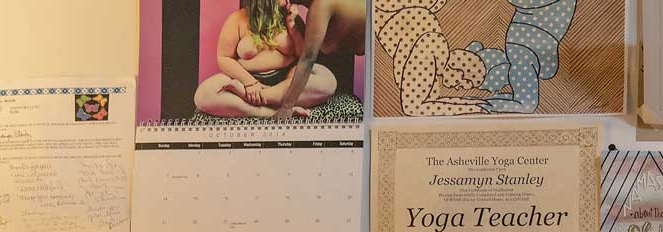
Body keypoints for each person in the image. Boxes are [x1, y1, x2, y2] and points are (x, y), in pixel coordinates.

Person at [194, 0, 339, 119]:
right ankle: (270, 113)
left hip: (286, 81)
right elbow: (224, 58)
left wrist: (292, 26)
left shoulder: (292, 18)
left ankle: (258, 98)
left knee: (328, 80)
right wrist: (249, 83)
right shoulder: (237, 19)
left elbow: (303, 57)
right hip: (246, 80)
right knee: (204, 94)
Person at [374, 0, 492, 116]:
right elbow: (413, 108)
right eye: (461, 84)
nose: (457, 89)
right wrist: (469, 109)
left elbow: (431, 103)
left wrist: (467, 104)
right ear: (459, 71)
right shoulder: (433, 49)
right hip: (385, 12)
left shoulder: (434, 63)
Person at [272, 0, 368, 116]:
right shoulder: (314, 12)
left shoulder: (322, 5)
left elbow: (308, 58)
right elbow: (308, 51)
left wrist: (287, 107)